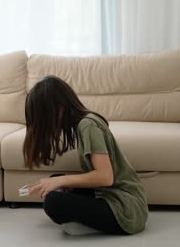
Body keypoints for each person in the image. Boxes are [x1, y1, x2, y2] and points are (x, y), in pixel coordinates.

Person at [23, 75, 148, 236]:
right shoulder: (83, 123)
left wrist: (60, 181)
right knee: (56, 183)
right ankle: (85, 219)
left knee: (53, 202)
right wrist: (58, 181)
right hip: (113, 196)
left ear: (59, 107)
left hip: (126, 208)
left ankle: (85, 226)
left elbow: (105, 177)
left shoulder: (87, 125)